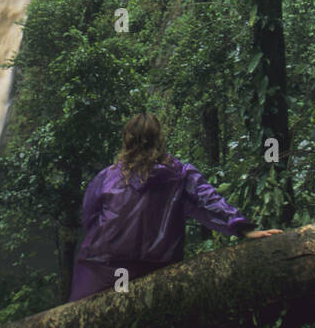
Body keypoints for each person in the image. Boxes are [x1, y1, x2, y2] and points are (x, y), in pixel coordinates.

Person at [69, 112, 282, 302]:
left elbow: (89, 217)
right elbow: (209, 201)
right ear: (159, 139)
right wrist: (243, 229)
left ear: (127, 140)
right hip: (155, 270)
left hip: (103, 270)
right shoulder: (179, 174)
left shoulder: (106, 177)